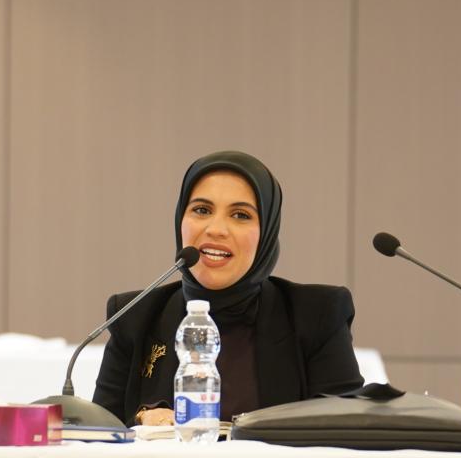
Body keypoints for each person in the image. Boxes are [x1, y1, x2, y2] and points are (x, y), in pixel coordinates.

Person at [92, 150, 363, 425]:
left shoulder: (316, 315)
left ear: (267, 233)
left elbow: (346, 429)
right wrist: (141, 419)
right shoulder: (135, 316)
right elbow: (98, 431)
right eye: (202, 210)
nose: (216, 229)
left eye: (240, 215)